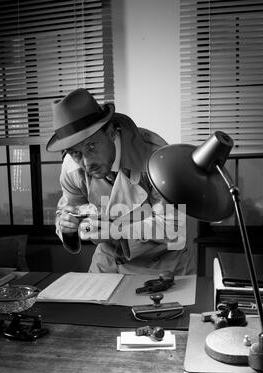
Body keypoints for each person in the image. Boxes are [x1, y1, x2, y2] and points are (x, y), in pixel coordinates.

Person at [46, 87, 196, 274]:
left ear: (110, 132)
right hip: (108, 259)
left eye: (91, 146)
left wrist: (115, 229)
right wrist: (68, 226)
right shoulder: (71, 168)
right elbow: (70, 209)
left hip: (162, 262)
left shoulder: (157, 158)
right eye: (75, 153)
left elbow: (172, 225)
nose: (87, 163)